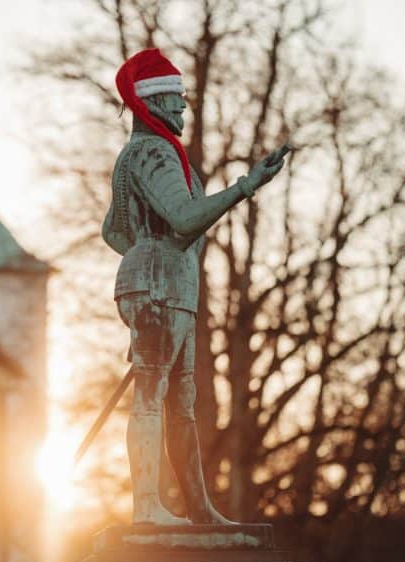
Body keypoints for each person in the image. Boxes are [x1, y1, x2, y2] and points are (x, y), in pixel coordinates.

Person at [103, 48, 288, 525]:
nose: (184, 107)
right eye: (177, 98)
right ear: (154, 101)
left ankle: (199, 511)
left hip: (168, 287)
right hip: (159, 287)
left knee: (180, 404)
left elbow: (112, 231)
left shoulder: (145, 153)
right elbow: (185, 219)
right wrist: (245, 186)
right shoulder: (153, 151)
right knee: (152, 395)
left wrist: (142, 251)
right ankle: (147, 508)